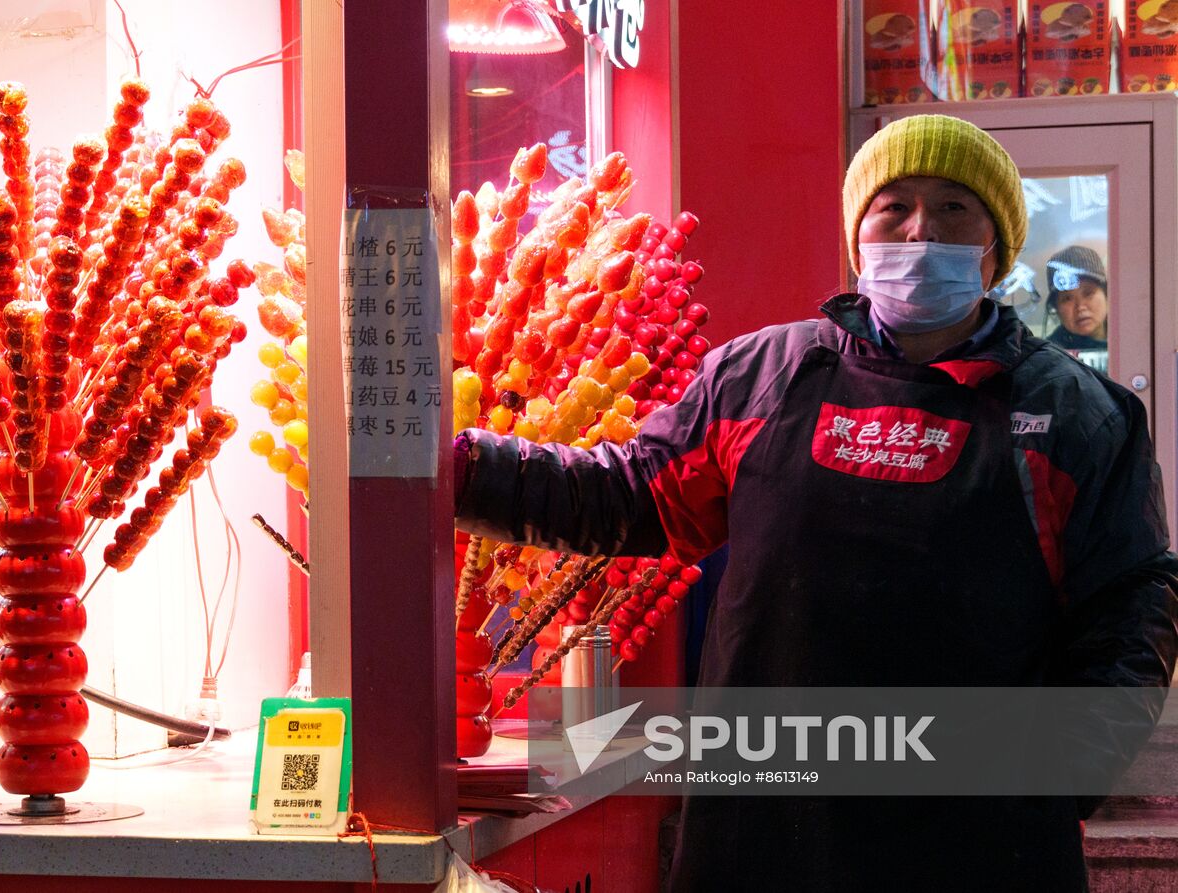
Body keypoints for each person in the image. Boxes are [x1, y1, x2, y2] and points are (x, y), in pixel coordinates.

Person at [454, 115, 1178, 891]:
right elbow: (624, 491)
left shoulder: (1076, 415)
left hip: (978, 843)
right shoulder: (759, 377)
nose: (919, 229)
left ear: (996, 245)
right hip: (763, 837)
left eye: (954, 207)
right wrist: (454, 467)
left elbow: (1133, 603)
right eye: (893, 205)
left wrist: (1064, 771)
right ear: (856, 232)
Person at [1046, 244, 1109, 351]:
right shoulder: (1048, 357)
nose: (1080, 307)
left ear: (1107, 295)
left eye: (1088, 293)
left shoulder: (1133, 338)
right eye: (1067, 298)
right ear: (1056, 307)